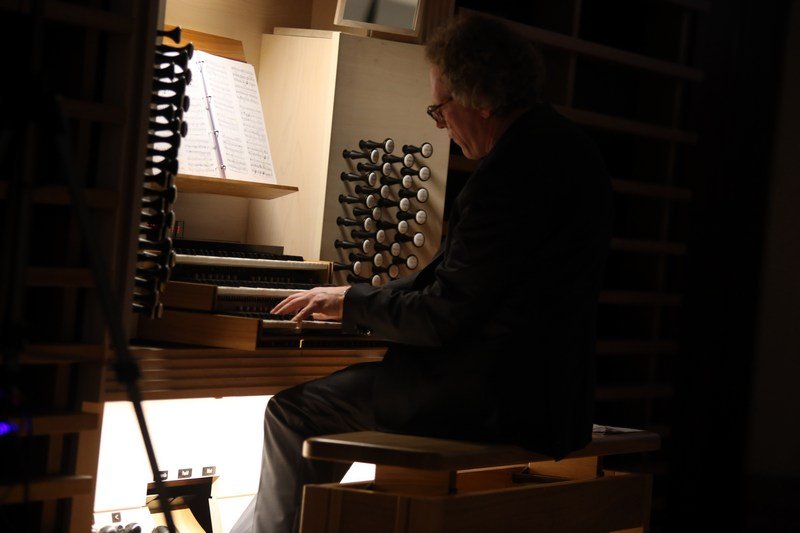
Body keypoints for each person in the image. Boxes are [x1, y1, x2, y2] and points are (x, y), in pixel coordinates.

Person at [235, 12, 613, 533]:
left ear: (481, 99)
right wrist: (352, 297)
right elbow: (454, 279)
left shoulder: (506, 178)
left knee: (293, 413)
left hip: (492, 398)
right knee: (336, 404)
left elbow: (442, 314)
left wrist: (354, 305)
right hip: (552, 394)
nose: (442, 126)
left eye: (441, 109)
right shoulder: (569, 147)